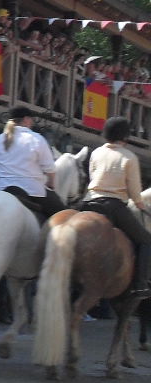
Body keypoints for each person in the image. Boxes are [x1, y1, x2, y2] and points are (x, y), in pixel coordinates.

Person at [78, 116, 151, 297]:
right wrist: (141, 205)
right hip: (113, 205)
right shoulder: (129, 157)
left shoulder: (96, 152)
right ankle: (141, 285)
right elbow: (135, 191)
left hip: (88, 202)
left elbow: (93, 176)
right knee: (146, 240)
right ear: (125, 136)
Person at [0, 106, 64, 216]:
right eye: (31, 119)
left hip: (3, 190)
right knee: (62, 215)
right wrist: (51, 183)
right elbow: (49, 168)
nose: (32, 122)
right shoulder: (36, 139)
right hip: (32, 190)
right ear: (26, 119)